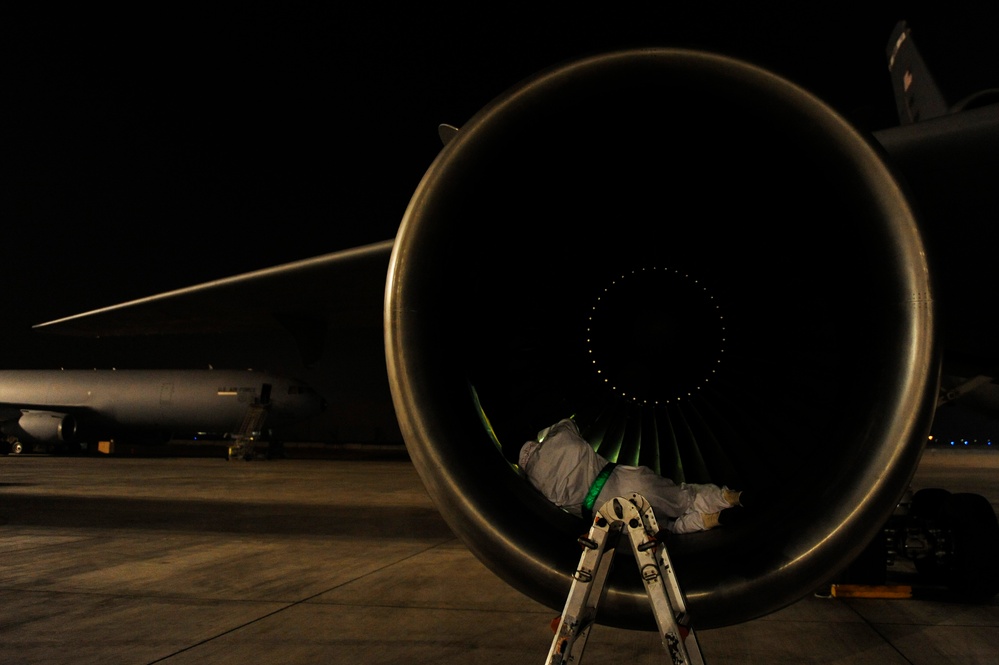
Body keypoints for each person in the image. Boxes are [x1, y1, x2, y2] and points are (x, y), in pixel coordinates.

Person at [518, 418, 742, 534]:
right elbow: (567, 423)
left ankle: (707, 521)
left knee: (666, 529)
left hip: (607, 513)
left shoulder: (533, 480)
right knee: (686, 497)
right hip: (626, 480)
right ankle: (728, 498)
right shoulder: (559, 439)